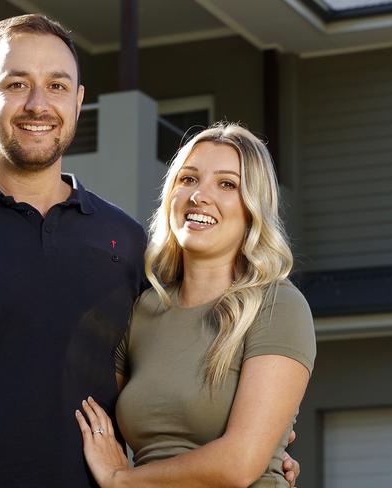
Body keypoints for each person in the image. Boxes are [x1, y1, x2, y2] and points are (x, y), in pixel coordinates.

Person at [0, 13, 301, 488]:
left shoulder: (125, 241)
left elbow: (169, 386)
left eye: (57, 86)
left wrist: (266, 445)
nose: (38, 104)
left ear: (77, 102)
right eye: (16, 84)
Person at [75, 123, 316, 487]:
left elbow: (239, 464)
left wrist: (121, 480)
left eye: (227, 184)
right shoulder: (141, 312)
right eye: (188, 179)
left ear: (253, 208)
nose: (199, 196)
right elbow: (88, 421)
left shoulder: (277, 307)